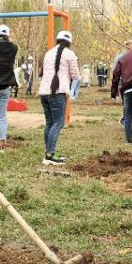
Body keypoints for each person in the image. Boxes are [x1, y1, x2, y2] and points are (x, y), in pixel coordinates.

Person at [38, 31, 79, 165]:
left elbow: (43, 72)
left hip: (44, 92)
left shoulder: (48, 53)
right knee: (58, 123)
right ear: (69, 42)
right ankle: (49, 156)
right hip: (58, 92)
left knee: (50, 123)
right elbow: (75, 75)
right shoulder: (69, 54)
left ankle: (47, 153)